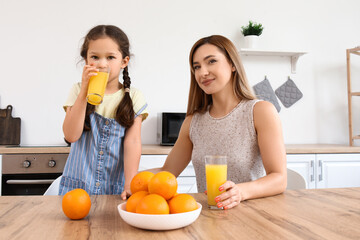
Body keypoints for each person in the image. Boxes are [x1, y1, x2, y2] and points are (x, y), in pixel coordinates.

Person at [149, 35, 286, 209]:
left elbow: (279, 178)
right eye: (196, 67)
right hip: (209, 217)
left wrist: (241, 192)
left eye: (211, 61)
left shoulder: (260, 111)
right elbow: (166, 172)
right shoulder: (193, 121)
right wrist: (130, 179)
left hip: (251, 216)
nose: (202, 72)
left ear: (233, 64)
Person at [59, 25, 148, 200]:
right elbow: (71, 135)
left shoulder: (134, 97)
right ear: (86, 60)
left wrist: (130, 183)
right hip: (78, 188)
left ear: (124, 61)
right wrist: (85, 90)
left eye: (110, 57)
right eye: (95, 57)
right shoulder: (77, 91)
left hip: (114, 188)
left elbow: (133, 141)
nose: (102, 64)